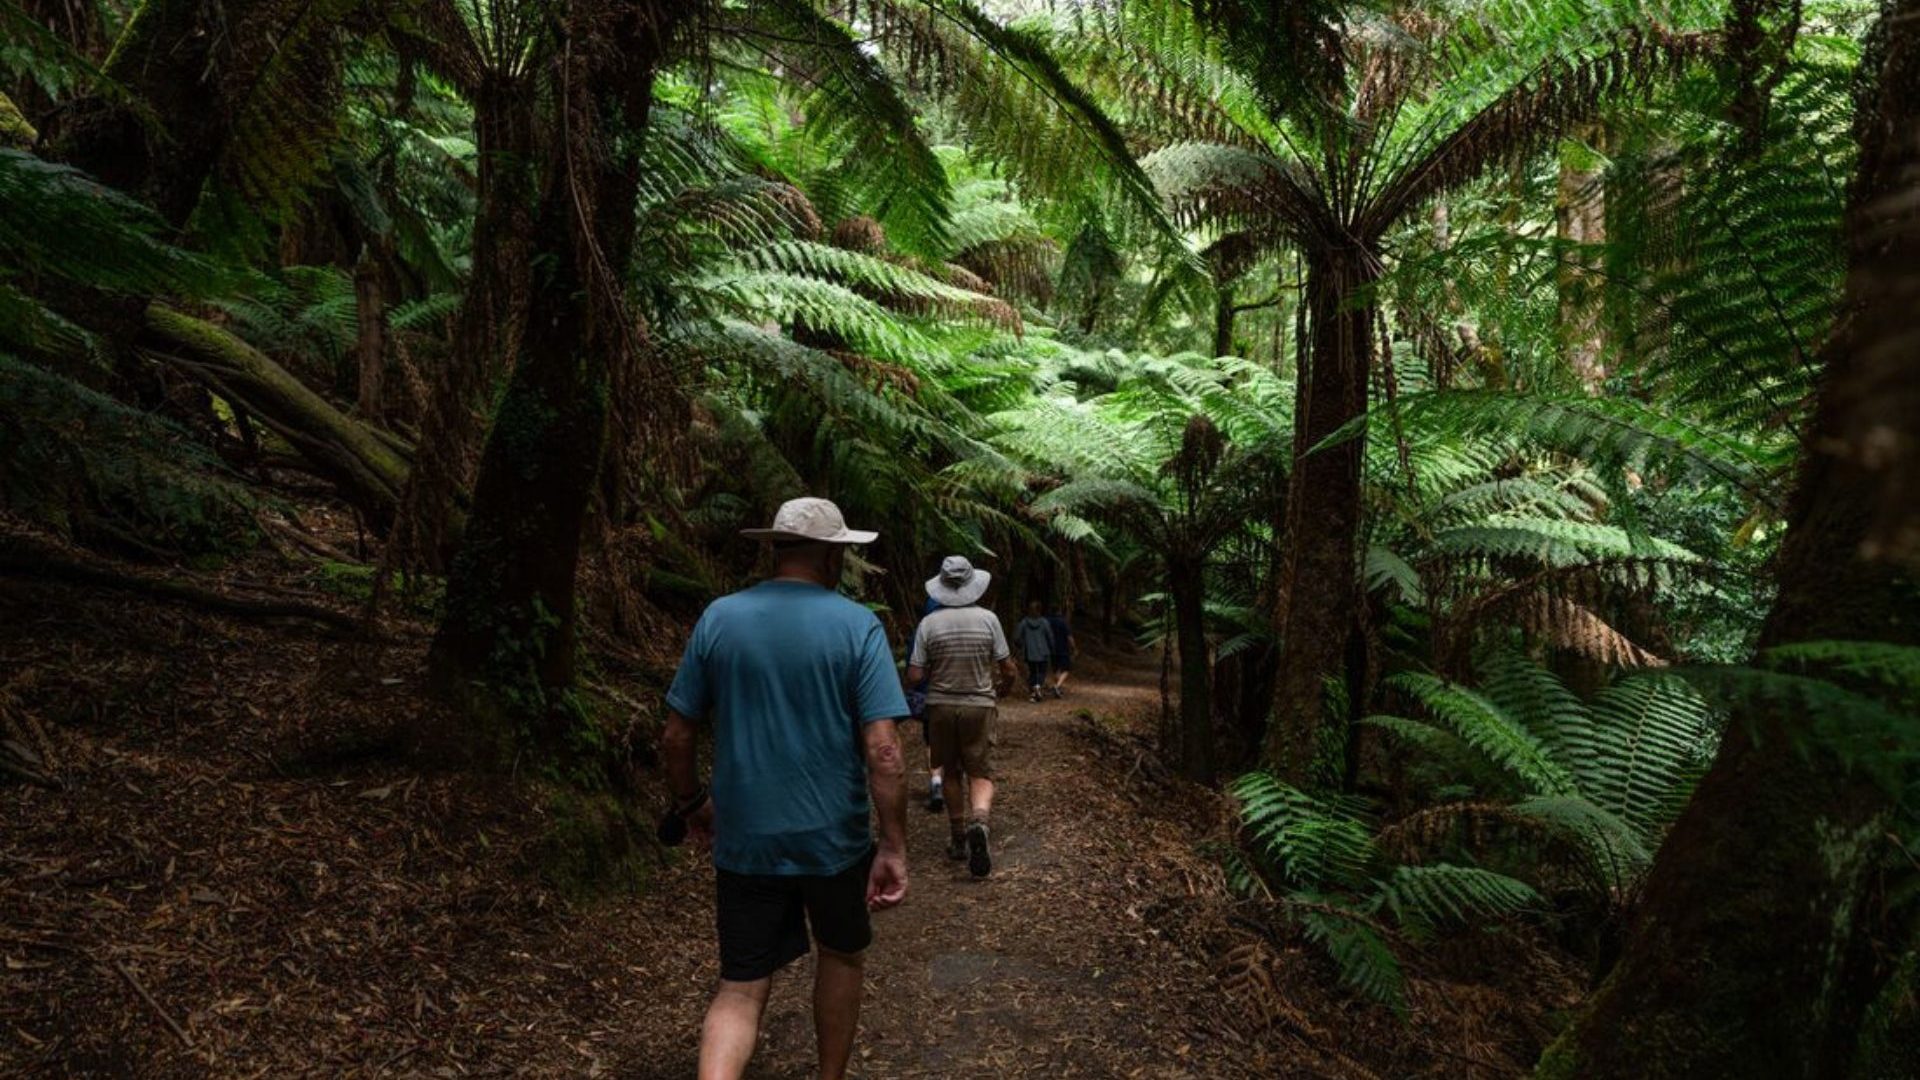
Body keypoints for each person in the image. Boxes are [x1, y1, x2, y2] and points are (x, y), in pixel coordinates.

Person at [660, 497, 910, 1080]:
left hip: (746, 836)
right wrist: (894, 846)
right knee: (842, 953)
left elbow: (676, 734)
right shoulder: (857, 625)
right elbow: (885, 751)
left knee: (741, 987)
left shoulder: (720, 617)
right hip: (835, 840)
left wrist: (693, 803)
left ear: (775, 548)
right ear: (832, 556)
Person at [906, 556, 1017, 878]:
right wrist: (1004, 688)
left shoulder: (929, 624)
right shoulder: (988, 620)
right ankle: (979, 821)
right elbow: (1008, 668)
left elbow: (915, 675)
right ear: (972, 585)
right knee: (980, 771)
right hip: (979, 705)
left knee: (951, 770)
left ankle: (957, 838)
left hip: (940, 705)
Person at [1014, 601, 1054, 703]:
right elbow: (1050, 637)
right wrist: (1052, 648)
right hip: (1043, 652)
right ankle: (1038, 687)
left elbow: (1017, 637)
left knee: (1032, 672)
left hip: (1030, 652)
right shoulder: (1044, 622)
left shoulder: (1024, 622)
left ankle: (1034, 693)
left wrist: (1021, 645)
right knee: (1042, 672)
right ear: (1039, 610)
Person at [1046, 608, 1076, 698]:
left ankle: (1057, 688)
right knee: (1066, 669)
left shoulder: (1047, 621)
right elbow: (1069, 637)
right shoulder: (1063, 622)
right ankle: (1057, 686)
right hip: (1063, 649)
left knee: (1056, 669)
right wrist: (1074, 648)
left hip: (1052, 648)